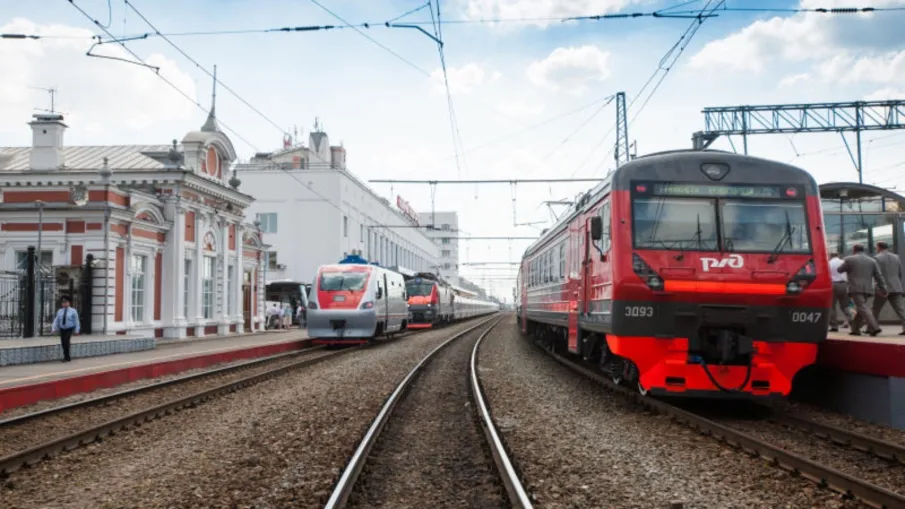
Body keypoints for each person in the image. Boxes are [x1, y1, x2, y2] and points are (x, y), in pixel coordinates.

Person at [837, 243, 886, 337]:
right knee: (861, 308)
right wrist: (883, 288)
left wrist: (846, 264)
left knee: (863, 307)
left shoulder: (849, 259)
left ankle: (874, 327)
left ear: (854, 250)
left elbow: (840, 270)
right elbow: (878, 276)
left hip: (855, 288)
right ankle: (855, 329)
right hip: (867, 288)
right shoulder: (872, 260)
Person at [872, 241, 905, 335]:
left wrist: (877, 285)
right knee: (900, 309)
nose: (876, 249)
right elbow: (900, 273)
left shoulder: (876, 258)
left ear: (879, 247)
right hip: (896, 286)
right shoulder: (896, 257)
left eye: (876, 247)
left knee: (875, 309)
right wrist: (896, 283)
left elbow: (877, 274)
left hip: (882, 288)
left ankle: (872, 328)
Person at [828, 252, 853, 332]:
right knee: (845, 305)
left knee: (832, 306)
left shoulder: (828, 263)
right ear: (838, 255)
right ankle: (853, 323)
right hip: (843, 285)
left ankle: (834, 326)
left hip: (832, 285)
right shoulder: (843, 262)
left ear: (830, 256)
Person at [50, 297, 80, 362]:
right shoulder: (60, 311)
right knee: (63, 342)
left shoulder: (73, 311)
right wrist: (53, 328)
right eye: (63, 303)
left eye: (66, 302)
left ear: (69, 303)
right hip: (62, 328)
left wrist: (77, 330)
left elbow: (76, 321)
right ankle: (66, 356)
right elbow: (56, 320)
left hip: (69, 328)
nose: (65, 304)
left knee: (66, 341)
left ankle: (67, 357)